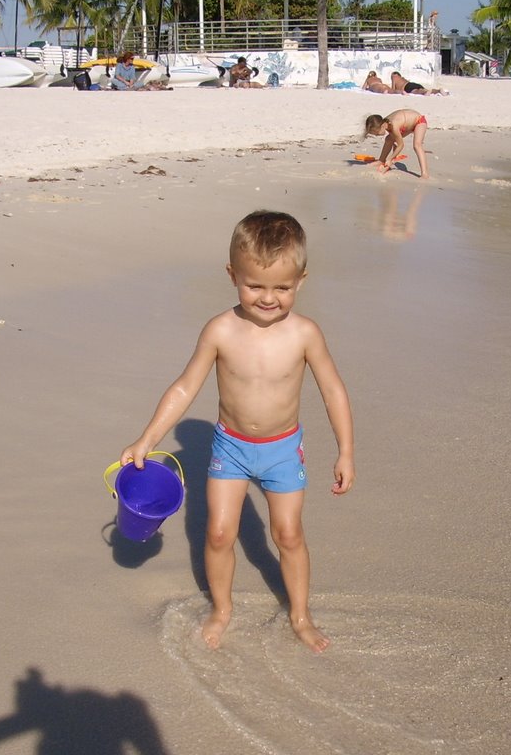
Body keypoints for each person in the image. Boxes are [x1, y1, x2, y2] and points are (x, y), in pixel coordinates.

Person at [120, 210, 355, 653]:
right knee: (219, 533)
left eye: (282, 288)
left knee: (288, 534)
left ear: (301, 281)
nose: (268, 298)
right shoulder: (221, 330)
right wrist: (147, 438)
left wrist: (346, 451)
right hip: (231, 447)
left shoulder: (305, 334)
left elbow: (333, 391)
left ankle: (301, 615)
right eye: (255, 286)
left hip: (283, 450)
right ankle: (221, 609)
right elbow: (185, 386)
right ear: (232, 275)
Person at [364, 109, 430, 180]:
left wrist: (390, 159)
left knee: (417, 145)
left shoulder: (393, 126)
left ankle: (424, 174)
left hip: (419, 122)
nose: (376, 135)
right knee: (389, 139)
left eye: (377, 133)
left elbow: (401, 145)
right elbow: (394, 139)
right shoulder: (384, 123)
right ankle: (381, 160)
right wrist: (394, 147)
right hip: (407, 125)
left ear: (382, 126)